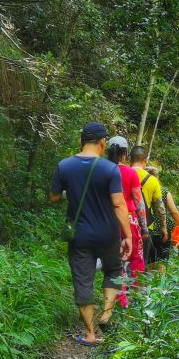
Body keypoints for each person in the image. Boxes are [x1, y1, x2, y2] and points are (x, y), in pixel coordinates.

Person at [50, 122, 131, 346]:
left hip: (80, 235)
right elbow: (118, 204)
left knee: (83, 280)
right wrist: (128, 235)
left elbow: (54, 197)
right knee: (113, 270)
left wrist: (70, 193)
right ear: (103, 142)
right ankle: (106, 315)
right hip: (108, 233)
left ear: (82, 141)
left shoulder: (64, 166)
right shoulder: (110, 169)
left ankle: (90, 334)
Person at [105, 136, 146, 297]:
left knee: (115, 260)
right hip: (129, 220)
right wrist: (144, 227)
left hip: (108, 221)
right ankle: (138, 296)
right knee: (135, 259)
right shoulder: (130, 173)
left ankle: (119, 298)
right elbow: (139, 203)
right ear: (125, 154)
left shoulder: (103, 171)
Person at [130, 146, 170, 272]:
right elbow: (160, 206)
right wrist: (163, 227)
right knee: (142, 261)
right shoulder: (152, 180)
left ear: (130, 158)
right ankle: (138, 283)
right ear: (145, 160)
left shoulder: (121, 174)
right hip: (145, 227)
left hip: (124, 223)